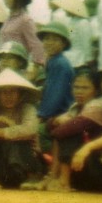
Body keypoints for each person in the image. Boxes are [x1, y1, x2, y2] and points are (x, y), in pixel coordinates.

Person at [29, 69, 102, 192]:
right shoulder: (76, 107)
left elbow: (61, 131)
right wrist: (55, 121)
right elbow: (50, 127)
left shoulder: (98, 106)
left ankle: (62, 181)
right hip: (86, 165)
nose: (79, 92)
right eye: (76, 87)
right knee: (44, 133)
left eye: (85, 88)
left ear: (96, 91)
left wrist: (57, 122)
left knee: (69, 134)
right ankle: (53, 177)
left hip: (100, 168)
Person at [36, 21, 75, 151]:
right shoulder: (53, 60)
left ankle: (51, 160)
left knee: (36, 132)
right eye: (47, 39)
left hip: (62, 111)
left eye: (55, 39)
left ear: (63, 44)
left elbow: (55, 94)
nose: (50, 43)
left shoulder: (60, 64)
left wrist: (42, 115)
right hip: (57, 110)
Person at [0, 0, 44, 74]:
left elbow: (37, 46)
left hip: (17, 69)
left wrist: (34, 70)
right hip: (4, 68)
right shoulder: (8, 19)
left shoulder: (25, 20)